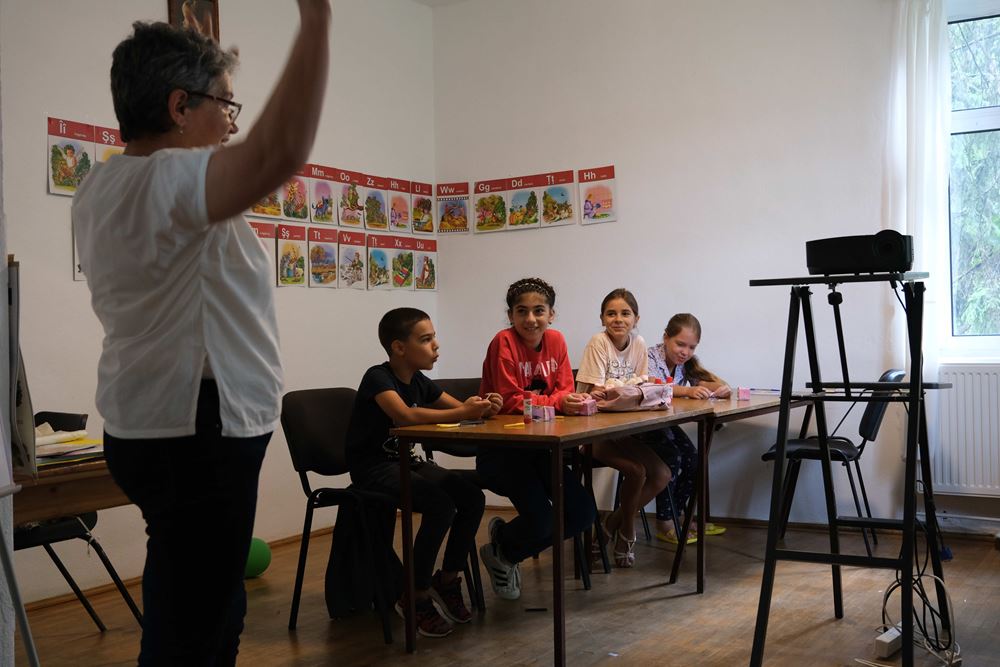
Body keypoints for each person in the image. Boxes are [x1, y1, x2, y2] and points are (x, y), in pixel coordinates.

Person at [70, 3, 331, 663]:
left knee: (203, 609)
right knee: (195, 631)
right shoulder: (161, 180)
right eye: (226, 106)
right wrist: (316, 20)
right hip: (195, 432)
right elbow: (278, 152)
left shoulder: (105, 184)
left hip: (159, 425)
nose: (232, 124)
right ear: (179, 106)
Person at [345, 307, 499, 638]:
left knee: (471, 497)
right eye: (426, 339)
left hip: (407, 462)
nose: (436, 346)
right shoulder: (378, 378)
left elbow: (458, 408)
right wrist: (464, 411)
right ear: (399, 347)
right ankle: (414, 595)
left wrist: (483, 407)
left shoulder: (418, 380)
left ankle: (447, 579)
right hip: (373, 468)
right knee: (440, 505)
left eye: (433, 338)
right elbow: (404, 416)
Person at [477, 277, 597, 600]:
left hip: (542, 448)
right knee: (543, 522)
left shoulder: (556, 340)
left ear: (551, 314)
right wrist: (557, 402)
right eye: (522, 311)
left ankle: (504, 545)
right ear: (511, 315)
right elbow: (509, 400)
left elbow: (566, 389)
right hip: (503, 452)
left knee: (583, 513)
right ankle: (507, 548)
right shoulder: (502, 342)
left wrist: (558, 400)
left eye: (539, 311)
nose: (530, 319)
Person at [575, 288, 671, 567]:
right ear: (602, 318)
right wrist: (627, 390)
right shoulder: (598, 342)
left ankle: (610, 524)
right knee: (637, 470)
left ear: (636, 318)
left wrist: (623, 390)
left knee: (662, 474)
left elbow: (642, 388)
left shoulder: (639, 343)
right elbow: (597, 394)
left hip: (624, 430)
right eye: (611, 313)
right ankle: (628, 530)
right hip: (590, 430)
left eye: (625, 313)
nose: (618, 319)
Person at [646, 313, 731, 543]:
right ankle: (665, 522)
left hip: (665, 424)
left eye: (691, 347)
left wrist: (720, 388)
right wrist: (688, 391)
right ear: (666, 337)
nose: (685, 352)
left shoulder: (683, 364)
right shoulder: (649, 356)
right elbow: (653, 386)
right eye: (680, 344)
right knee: (673, 459)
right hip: (644, 426)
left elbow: (700, 382)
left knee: (694, 460)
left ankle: (680, 517)